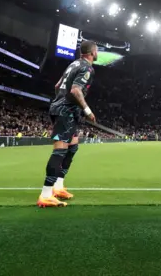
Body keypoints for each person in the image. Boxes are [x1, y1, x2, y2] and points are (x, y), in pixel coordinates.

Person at [37, 40, 98, 208]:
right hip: (66, 112)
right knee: (60, 150)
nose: (97, 53)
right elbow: (76, 90)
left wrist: (60, 101)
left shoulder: (73, 64)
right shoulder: (86, 67)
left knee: (72, 147)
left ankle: (58, 186)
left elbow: (58, 85)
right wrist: (87, 111)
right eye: (97, 50)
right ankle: (46, 194)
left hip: (65, 110)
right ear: (92, 52)